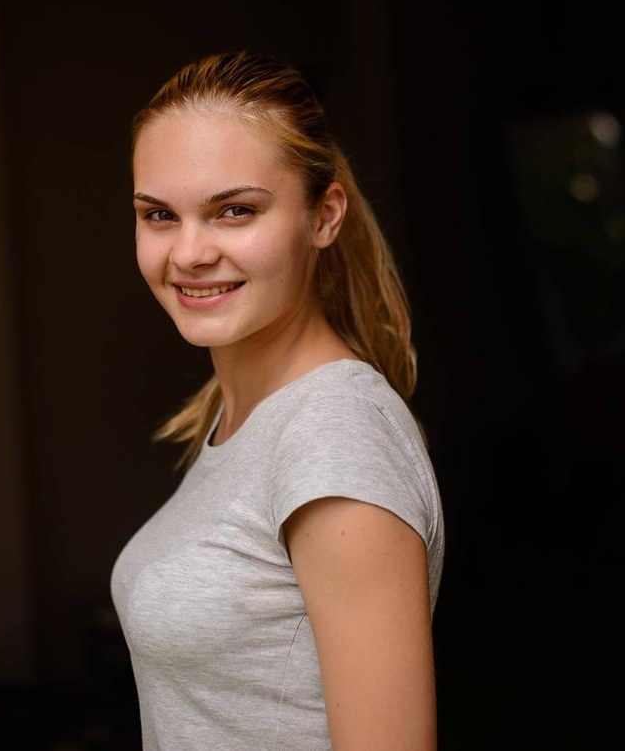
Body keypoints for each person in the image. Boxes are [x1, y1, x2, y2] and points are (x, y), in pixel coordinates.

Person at [109, 50, 445, 751]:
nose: (189, 253)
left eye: (235, 211)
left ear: (324, 217)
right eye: (160, 215)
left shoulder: (335, 435)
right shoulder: (246, 415)